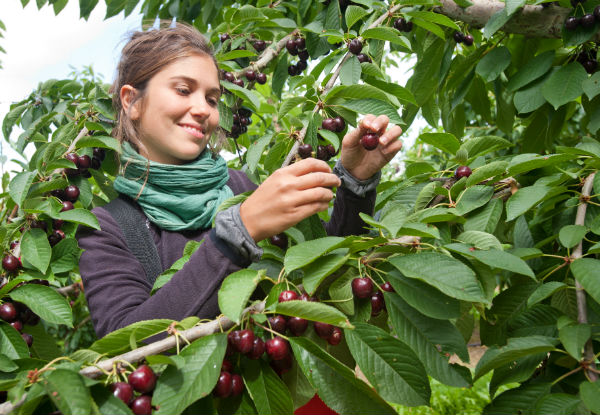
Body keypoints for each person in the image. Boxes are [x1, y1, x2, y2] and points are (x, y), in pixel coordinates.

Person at [76, 22, 403, 339]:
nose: (203, 109)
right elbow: (123, 345)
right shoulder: (107, 227)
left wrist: (355, 182)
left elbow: (325, 280)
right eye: (184, 90)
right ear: (131, 101)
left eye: (212, 98)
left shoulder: (240, 187)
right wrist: (237, 233)